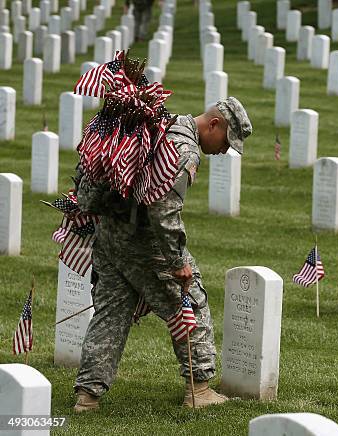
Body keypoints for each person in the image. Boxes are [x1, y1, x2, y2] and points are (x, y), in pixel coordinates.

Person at [73, 97, 253, 412]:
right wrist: (178, 262)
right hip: (143, 242)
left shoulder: (161, 124)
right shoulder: (184, 151)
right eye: (226, 141)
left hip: (109, 234)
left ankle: (87, 397)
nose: (224, 150)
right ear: (213, 124)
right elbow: (163, 211)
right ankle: (199, 390)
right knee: (191, 303)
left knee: (110, 313)